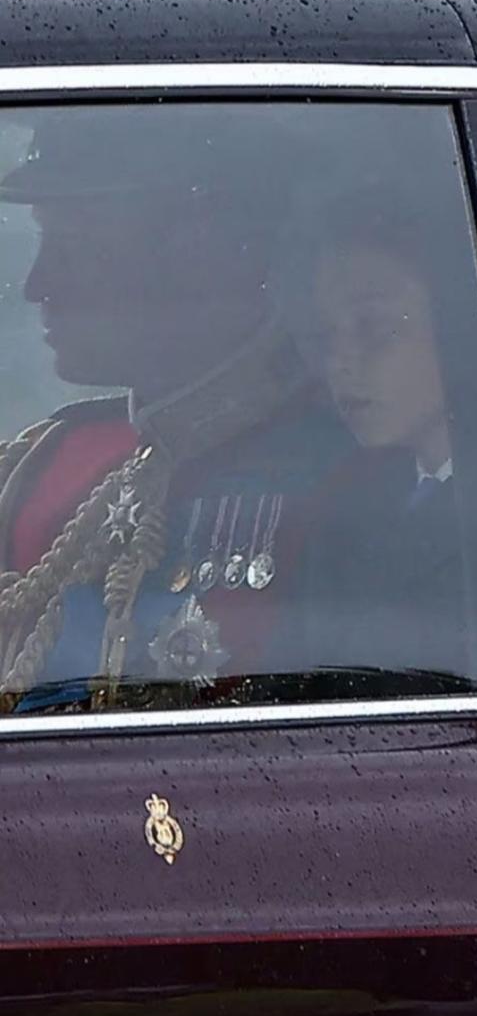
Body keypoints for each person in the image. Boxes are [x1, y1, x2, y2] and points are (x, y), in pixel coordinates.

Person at [0, 106, 350, 712]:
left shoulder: (341, 481)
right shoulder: (61, 465)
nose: (38, 283)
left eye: (75, 247)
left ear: (201, 253)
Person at [292, 205, 470, 686]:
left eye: (373, 328)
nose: (341, 364)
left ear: (460, 328)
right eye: (329, 335)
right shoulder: (346, 507)